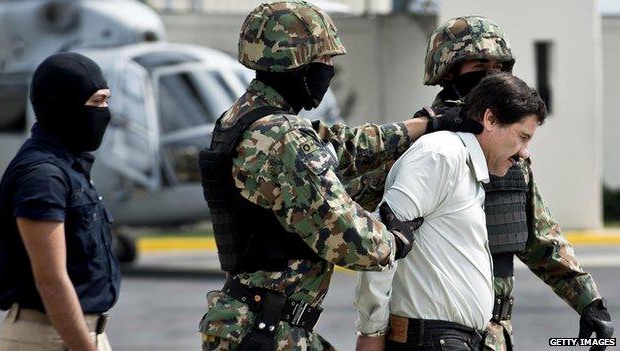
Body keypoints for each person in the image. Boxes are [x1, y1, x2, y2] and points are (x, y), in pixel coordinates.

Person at [197, 2, 482, 350]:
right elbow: (353, 241)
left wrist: (421, 127)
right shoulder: (283, 136)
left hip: (255, 324)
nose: (330, 70)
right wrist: (396, 236)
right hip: (267, 332)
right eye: (324, 60)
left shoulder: (245, 120)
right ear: (295, 62)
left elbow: (338, 150)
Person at [422, 16, 614, 351]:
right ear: (448, 70)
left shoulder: (511, 144)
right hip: (439, 329)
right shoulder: (422, 141)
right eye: (479, 64)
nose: (491, 72)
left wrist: (588, 300)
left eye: (499, 65)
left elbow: (536, 234)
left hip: (494, 332)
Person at [354, 72, 547, 351]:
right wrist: (371, 333)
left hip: (455, 340)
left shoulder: (467, 167)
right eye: (522, 137)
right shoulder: (439, 156)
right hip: (431, 341)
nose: (524, 152)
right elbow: (381, 243)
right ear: (490, 119)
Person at [0, 52, 120, 351]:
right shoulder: (43, 176)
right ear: (63, 106)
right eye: (97, 101)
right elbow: (51, 280)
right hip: (51, 338)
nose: (105, 111)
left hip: (75, 334)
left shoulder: (68, 167)